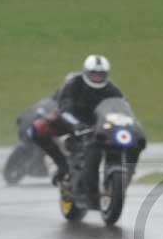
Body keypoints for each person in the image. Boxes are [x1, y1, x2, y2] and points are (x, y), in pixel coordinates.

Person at [30, 55, 137, 207]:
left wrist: (128, 123)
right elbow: (64, 108)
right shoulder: (74, 83)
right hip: (70, 122)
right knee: (38, 128)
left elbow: (123, 108)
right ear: (86, 72)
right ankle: (61, 164)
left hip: (98, 126)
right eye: (94, 74)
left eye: (101, 74)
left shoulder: (112, 89)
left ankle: (111, 182)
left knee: (119, 145)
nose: (97, 77)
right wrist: (76, 124)